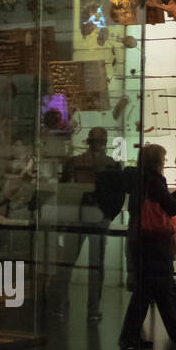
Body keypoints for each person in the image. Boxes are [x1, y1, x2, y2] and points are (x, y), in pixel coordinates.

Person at [118, 144, 176, 350]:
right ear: (156, 161)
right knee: (156, 288)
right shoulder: (154, 181)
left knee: (152, 288)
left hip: (140, 239)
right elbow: (172, 207)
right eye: (163, 160)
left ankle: (172, 329)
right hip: (155, 241)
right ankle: (133, 336)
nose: (165, 163)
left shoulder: (138, 180)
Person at [51, 127, 125, 322]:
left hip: (74, 218)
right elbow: (118, 198)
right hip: (97, 220)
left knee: (66, 264)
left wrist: (62, 218)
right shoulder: (111, 165)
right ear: (104, 142)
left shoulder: (73, 162)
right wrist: (108, 217)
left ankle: (60, 304)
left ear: (88, 141)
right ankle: (92, 310)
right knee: (95, 267)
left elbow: (63, 192)